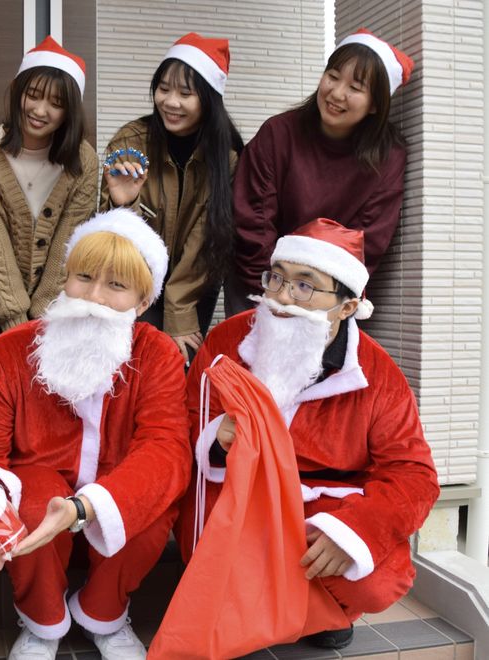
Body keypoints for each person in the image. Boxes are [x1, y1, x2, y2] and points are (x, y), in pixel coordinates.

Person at [169, 219, 438, 653]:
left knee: (373, 579)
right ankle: (250, 609)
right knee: (214, 556)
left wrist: (352, 531)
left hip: (327, 505)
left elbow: (414, 473)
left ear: (346, 307)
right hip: (239, 492)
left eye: (304, 286)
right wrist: (216, 439)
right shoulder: (226, 340)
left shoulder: (377, 373)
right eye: (276, 277)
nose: (279, 297)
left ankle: (325, 612)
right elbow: (183, 426)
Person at [0, 208, 191, 660]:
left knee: (153, 503)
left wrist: (85, 507)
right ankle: (42, 623)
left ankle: (103, 612)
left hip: (115, 479)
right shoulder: (5, 353)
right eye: (83, 277)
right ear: (64, 279)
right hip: (38, 476)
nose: (95, 297)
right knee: (26, 503)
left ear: (143, 303)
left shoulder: (157, 354)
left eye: (117, 286)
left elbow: (166, 449)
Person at [226, 29, 414, 315]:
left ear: (376, 103)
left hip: (328, 298)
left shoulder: (387, 157)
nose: (337, 93)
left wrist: (318, 296)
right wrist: (277, 289)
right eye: (333, 77)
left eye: (355, 87)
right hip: (261, 282)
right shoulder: (279, 133)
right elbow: (253, 219)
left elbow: (368, 240)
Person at [100, 32, 243, 360]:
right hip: (136, 278)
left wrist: (178, 312)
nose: (170, 102)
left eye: (185, 93)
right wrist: (124, 203)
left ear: (208, 99)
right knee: (130, 366)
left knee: (176, 367)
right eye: (163, 89)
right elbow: (111, 233)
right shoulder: (131, 141)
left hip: (195, 285)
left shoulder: (228, 159)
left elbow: (208, 238)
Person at [0, 36, 98, 345]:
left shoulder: (83, 160)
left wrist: (46, 314)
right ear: (18, 91)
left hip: (58, 314)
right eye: (33, 96)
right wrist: (14, 322)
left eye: (56, 104)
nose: (40, 110)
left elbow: (70, 241)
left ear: (69, 111)